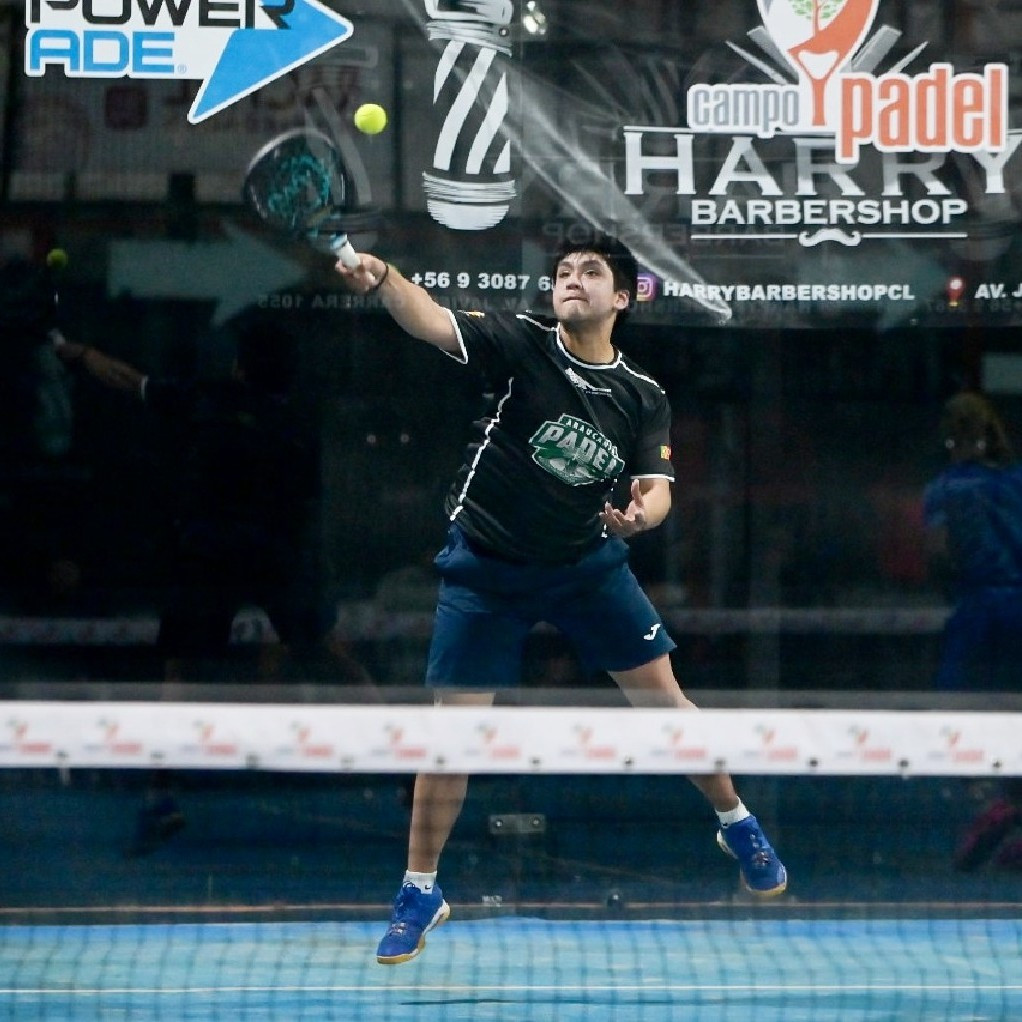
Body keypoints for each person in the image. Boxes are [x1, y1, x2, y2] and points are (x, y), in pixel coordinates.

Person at [335, 231, 788, 966]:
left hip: (584, 566)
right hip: (489, 566)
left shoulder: (643, 396)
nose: (573, 279)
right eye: (564, 271)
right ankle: (420, 891)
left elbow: (658, 490)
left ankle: (736, 821)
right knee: (451, 736)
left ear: (622, 297)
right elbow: (431, 320)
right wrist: (385, 275)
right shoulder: (523, 344)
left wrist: (641, 516)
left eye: (591, 272)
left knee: (668, 705)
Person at [53, 320, 375, 851]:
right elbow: (307, 506)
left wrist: (81, 353)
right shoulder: (295, 424)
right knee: (329, 650)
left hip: (211, 550)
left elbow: (126, 380)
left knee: (180, 672)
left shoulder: (210, 401)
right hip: (274, 553)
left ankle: (161, 794)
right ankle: (411, 767)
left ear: (240, 367)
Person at [922, 391, 1022, 870]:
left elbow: (939, 552)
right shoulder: (1018, 482)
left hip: (980, 613)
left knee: (957, 711)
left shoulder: (944, 489)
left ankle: (990, 803)